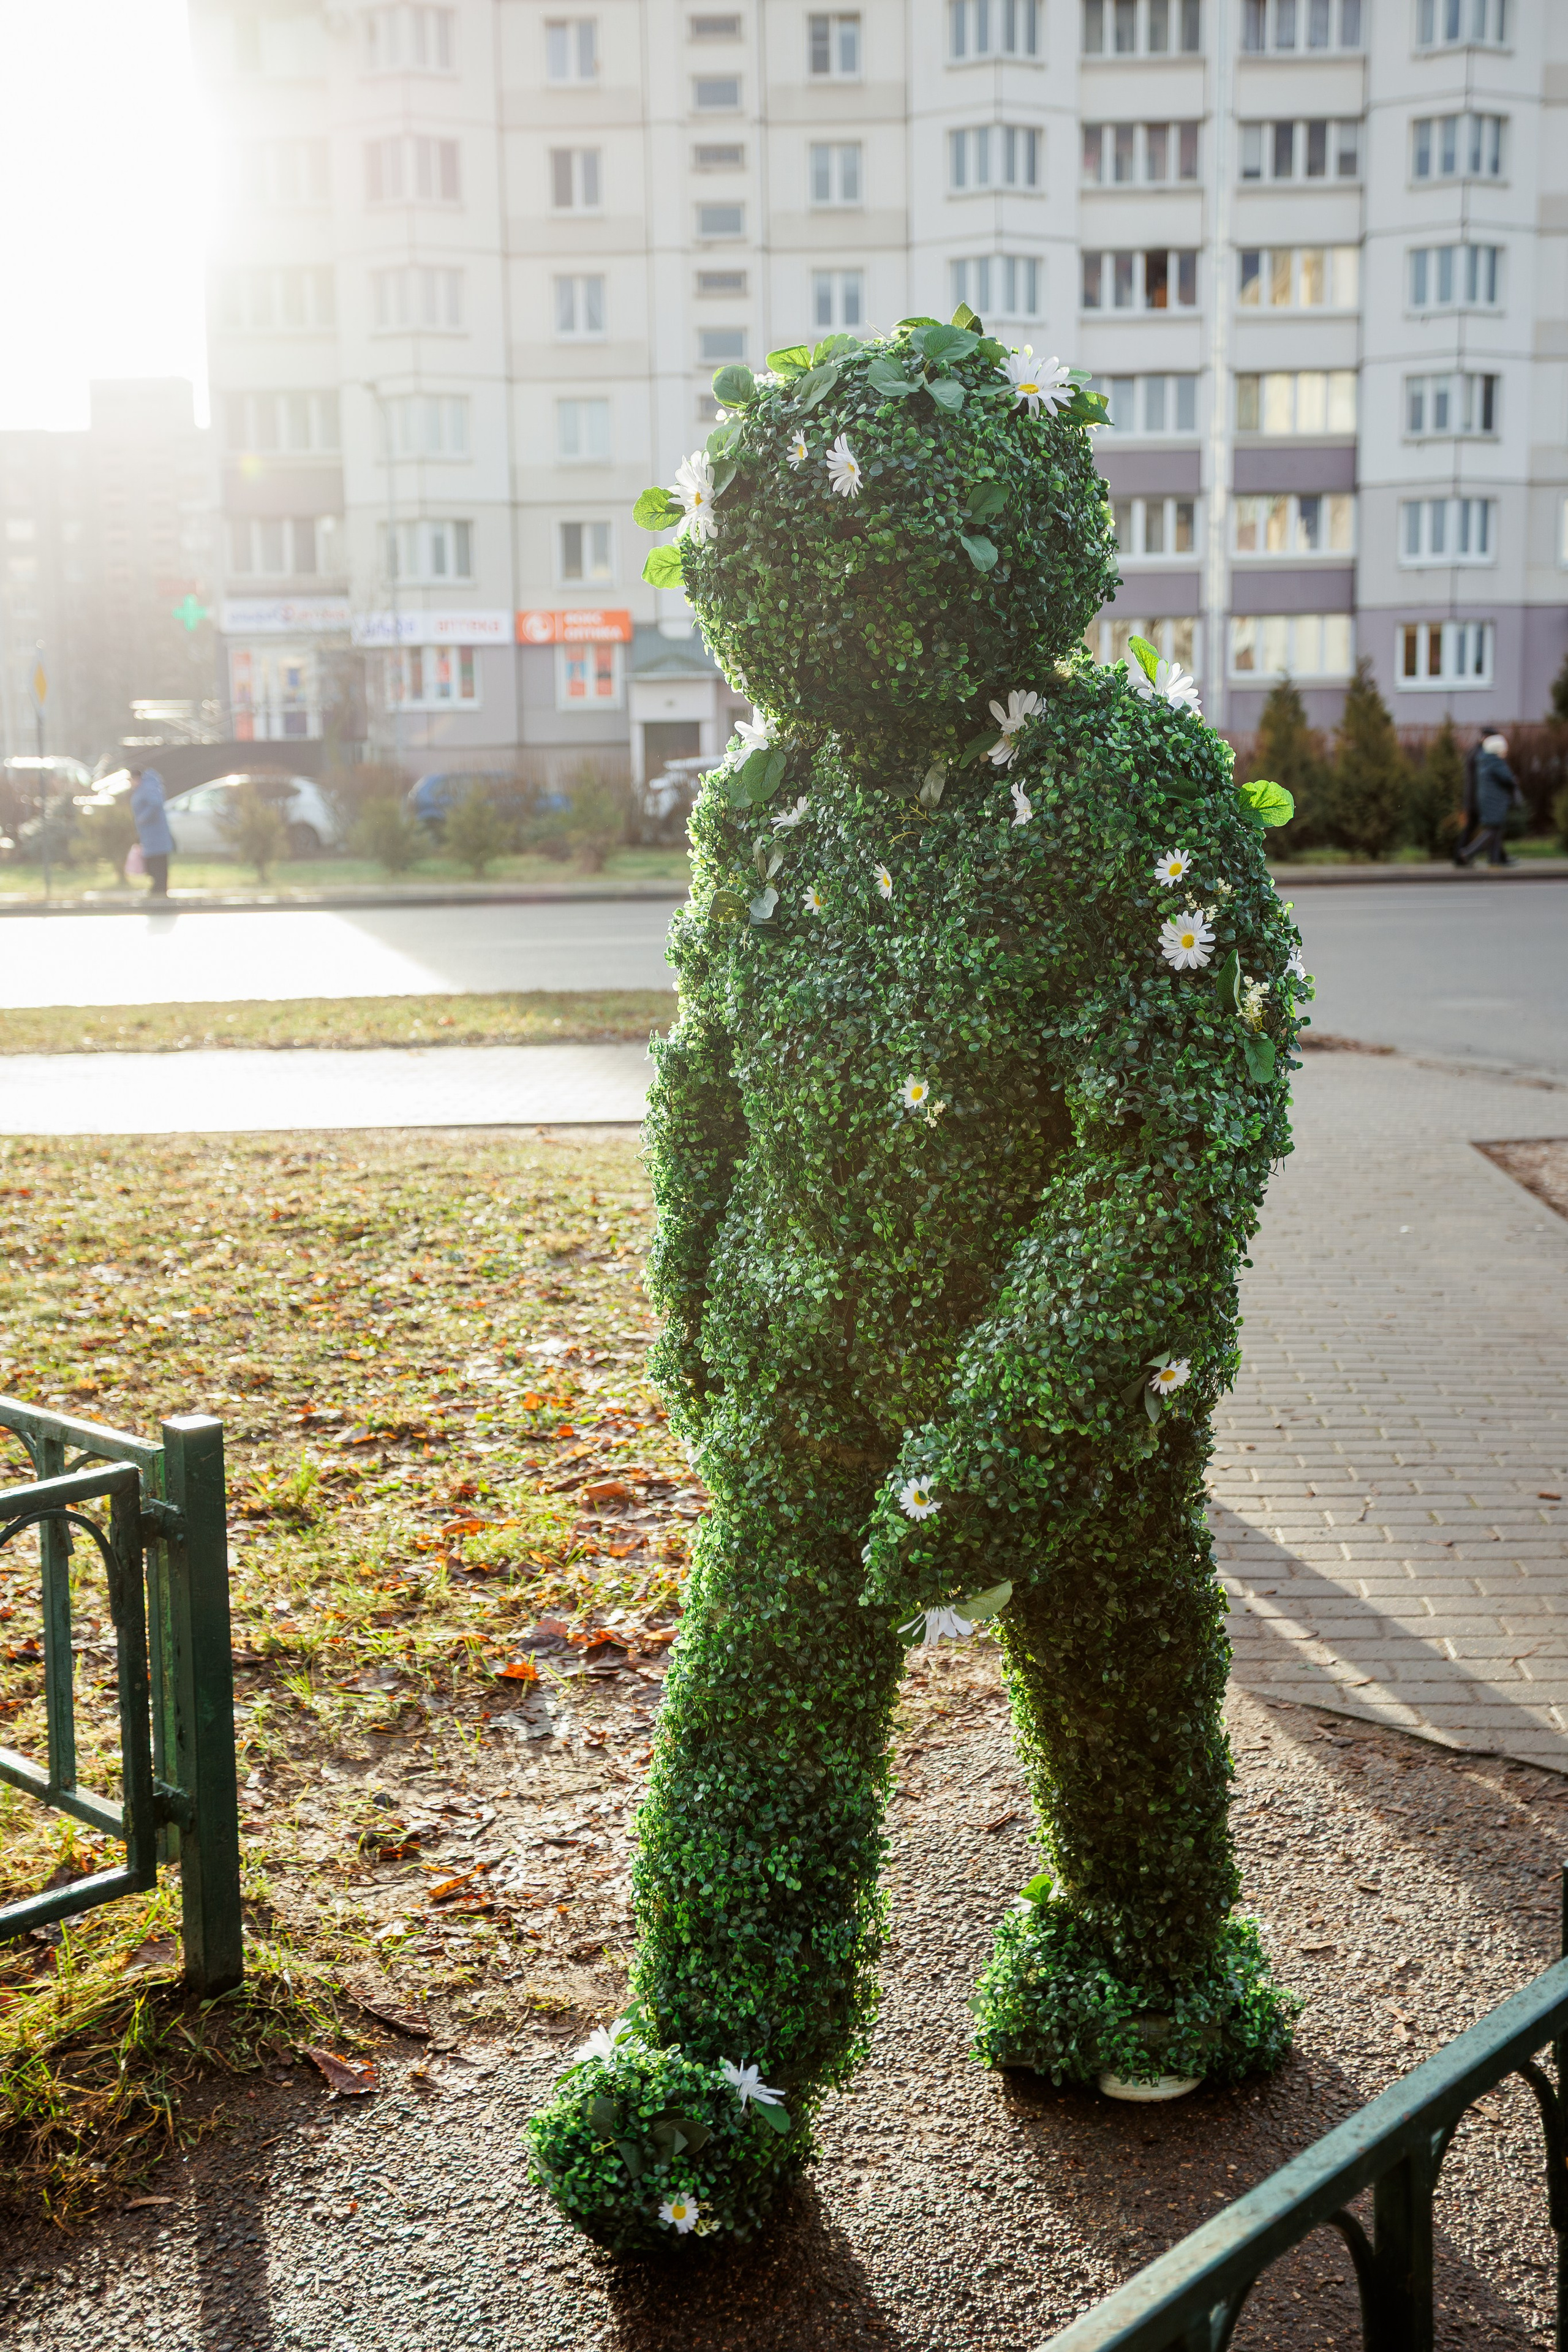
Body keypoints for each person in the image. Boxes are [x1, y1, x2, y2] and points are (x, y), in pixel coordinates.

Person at [1455, 732, 1519, 868]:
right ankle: (1468, 853)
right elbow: (1508, 779)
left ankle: (1494, 859)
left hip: (1488, 800)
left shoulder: (1484, 760)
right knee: (1492, 830)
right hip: (1495, 801)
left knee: (1496, 829)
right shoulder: (1496, 762)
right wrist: (1514, 780)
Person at [129, 765, 173, 899]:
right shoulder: (146, 788)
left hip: (154, 834)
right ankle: (158, 887)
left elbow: (155, 804)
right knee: (155, 861)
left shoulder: (147, 789)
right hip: (150, 834)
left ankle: (159, 888)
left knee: (157, 861)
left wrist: (143, 818)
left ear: (136, 778)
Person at [1453, 721, 1493, 862]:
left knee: (1479, 828)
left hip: (1472, 798)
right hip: (1477, 798)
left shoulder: (1473, 751)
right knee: (1492, 828)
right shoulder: (1480, 754)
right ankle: (1462, 856)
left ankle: (1461, 856)